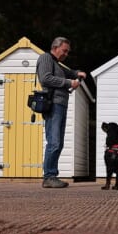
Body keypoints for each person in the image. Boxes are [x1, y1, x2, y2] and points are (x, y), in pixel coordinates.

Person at [37, 37, 86, 188]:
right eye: (64, 51)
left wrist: (77, 73)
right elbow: (45, 79)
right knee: (54, 142)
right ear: (55, 47)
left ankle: (51, 176)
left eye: (67, 52)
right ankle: (49, 177)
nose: (66, 54)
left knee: (58, 143)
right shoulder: (46, 58)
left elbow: (69, 72)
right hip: (53, 105)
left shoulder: (56, 64)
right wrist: (69, 83)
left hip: (60, 105)